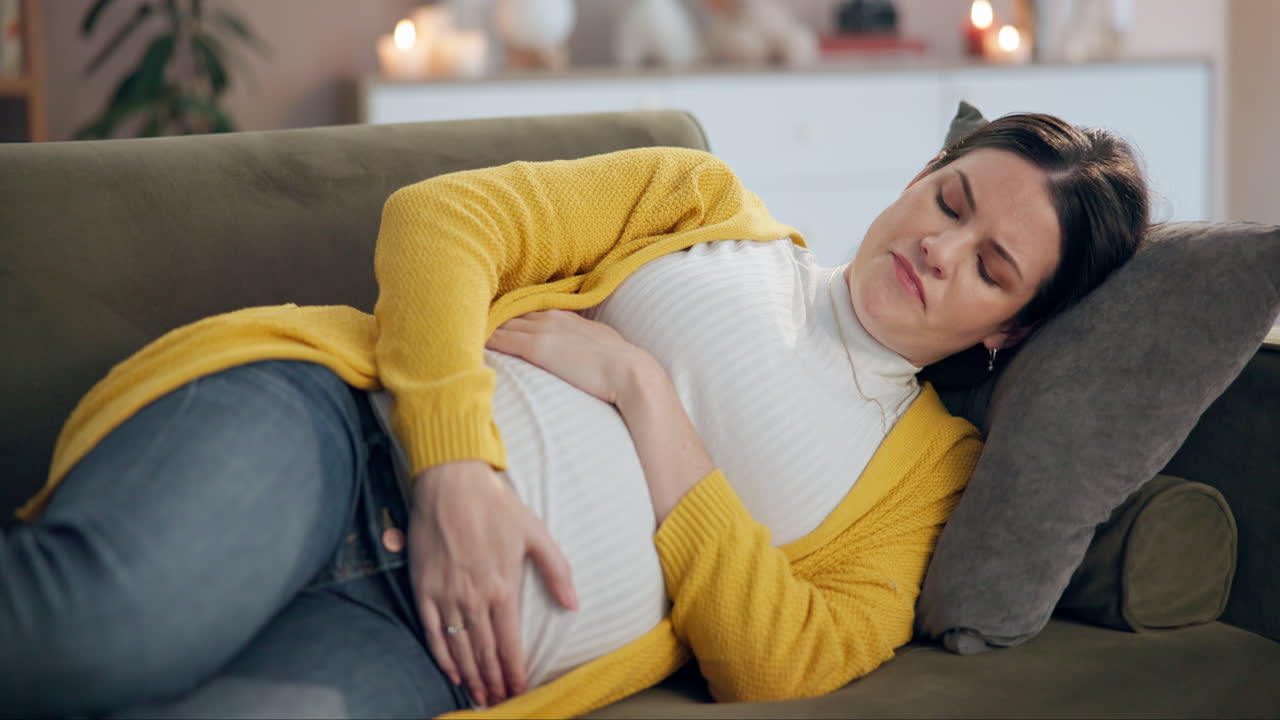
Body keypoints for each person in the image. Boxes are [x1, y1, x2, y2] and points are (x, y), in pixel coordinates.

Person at [1, 112, 1148, 719]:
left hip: (431, 648)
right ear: (917, 176)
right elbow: (445, 221)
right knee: (96, 632)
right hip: (342, 439)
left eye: (989, 265)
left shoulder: (929, 472)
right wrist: (457, 473)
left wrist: (644, 395)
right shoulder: (705, 206)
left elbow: (786, 658)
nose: (936, 250)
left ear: (1009, 331)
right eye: (947, 200)